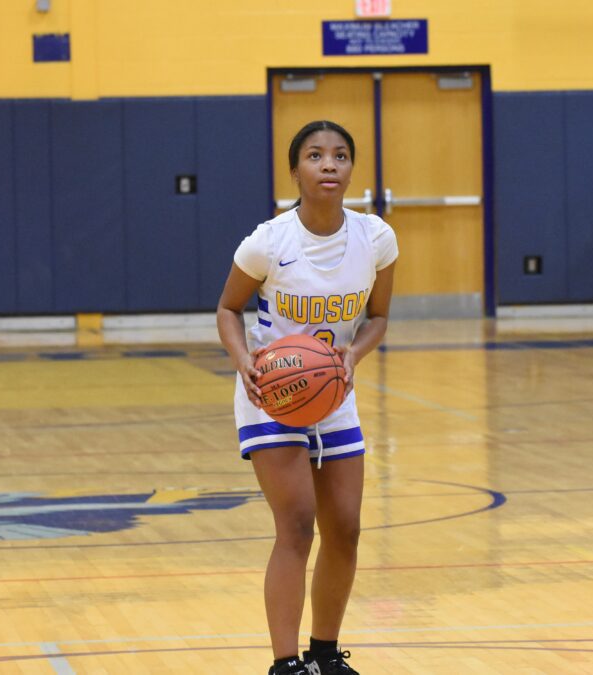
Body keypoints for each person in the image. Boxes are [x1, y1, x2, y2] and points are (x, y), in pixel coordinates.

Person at [216, 120, 397, 675]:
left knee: (345, 527)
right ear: (295, 170)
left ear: (350, 169)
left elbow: (380, 316)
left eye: (340, 156)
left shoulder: (376, 238)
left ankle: (325, 654)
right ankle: (285, 663)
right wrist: (246, 362)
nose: (329, 165)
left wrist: (352, 356)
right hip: (271, 393)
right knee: (296, 523)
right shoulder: (268, 241)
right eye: (316, 156)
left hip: (334, 391)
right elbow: (228, 310)